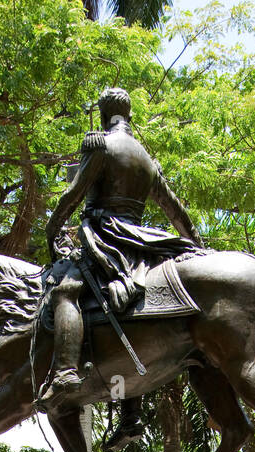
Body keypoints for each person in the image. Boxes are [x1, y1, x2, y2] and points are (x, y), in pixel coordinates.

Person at [40, 86, 204, 432]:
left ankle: (66, 372)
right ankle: (131, 413)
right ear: (129, 114)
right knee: (129, 311)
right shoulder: (146, 157)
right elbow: (177, 212)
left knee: (66, 290)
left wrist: (52, 227)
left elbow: (74, 194)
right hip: (141, 243)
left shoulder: (100, 144)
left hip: (106, 236)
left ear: (102, 112)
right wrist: (196, 245)